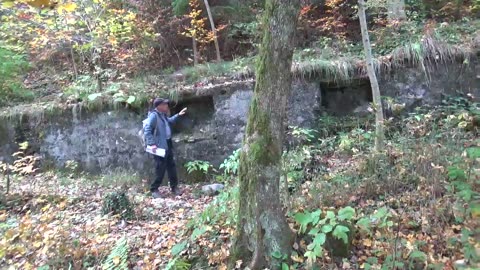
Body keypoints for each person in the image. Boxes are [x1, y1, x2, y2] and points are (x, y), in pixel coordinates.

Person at [144, 98, 187, 198]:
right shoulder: (154, 116)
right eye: (164, 104)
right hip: (159, 147)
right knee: (160, 168)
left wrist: (178, 115)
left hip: (167, 144)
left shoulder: (163, 115)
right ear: (159, 106)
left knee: (171, 166)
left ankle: (174, 187)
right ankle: (154, 189)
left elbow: (169, 121)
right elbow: (147, 130)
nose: (167, 106)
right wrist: (152, 144)